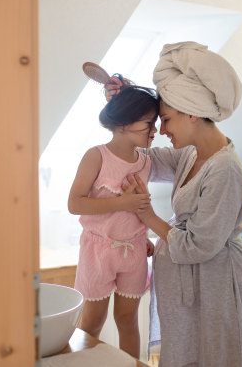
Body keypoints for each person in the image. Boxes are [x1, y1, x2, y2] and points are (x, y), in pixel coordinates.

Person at [105, 42, 242, 367]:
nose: (161, 131)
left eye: (165, 119)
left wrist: (147, 216)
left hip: (222, 290)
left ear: (191, 112)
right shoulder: (189, 154)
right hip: (192, 292)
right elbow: (135, 157)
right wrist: (125, 109)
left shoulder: (225, 169)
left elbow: (196, 246)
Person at [67, 84, 159, 358]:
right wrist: (122, 202)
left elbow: (139, 207)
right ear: (124, 123)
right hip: (97, 251)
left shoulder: (146, 163)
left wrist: (143, 236)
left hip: (133, 252)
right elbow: (75, 203)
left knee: (128, 322)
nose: (155, 131)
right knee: (92, 323)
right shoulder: (96, 156)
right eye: (148, 124)